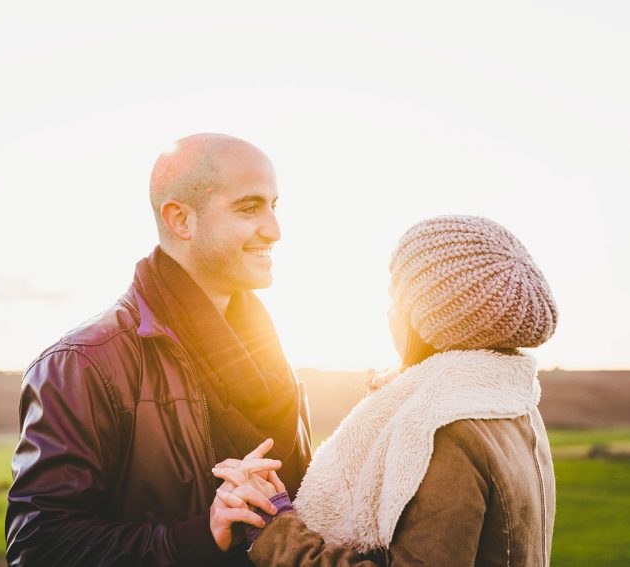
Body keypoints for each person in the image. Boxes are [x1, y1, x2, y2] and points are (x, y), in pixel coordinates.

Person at [5, 133, 312, 566]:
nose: (275, 230)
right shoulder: (82, 363)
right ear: (180, 220)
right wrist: (202, 534)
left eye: (274, 206)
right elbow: (40, 549)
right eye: (249, 208)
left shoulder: (274, 360)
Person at [215, 215, 558, 566]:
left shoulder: (443, 430)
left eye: (396, 300)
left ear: (430, 319)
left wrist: (275, 529)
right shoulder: (514, 404)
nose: (388, 313)